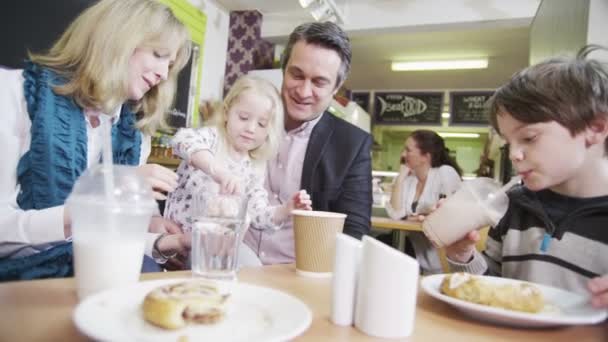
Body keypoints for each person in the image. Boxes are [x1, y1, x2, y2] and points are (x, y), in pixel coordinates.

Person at [0, 0, 192, 279]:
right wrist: (95, 203)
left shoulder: (135, 135)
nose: (164, 74)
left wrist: (161, 245)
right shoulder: (13, 94)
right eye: (159, 54)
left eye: (170, 65)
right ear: (117, 38)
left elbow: (107, 240)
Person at [444, 45, 608, 308]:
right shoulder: (514, 205)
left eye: (529, 138)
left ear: (596, 128)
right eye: (509, 143)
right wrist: (463, 256)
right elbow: (493, 291)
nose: (514, 155)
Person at [243, 22, 373, 264]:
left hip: (298, 275)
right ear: (284, 70)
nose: (303, 92)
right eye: (297, 75)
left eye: (319, 82)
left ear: (336, 88)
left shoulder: (352, 145)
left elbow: (355, 233)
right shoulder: (249, 115)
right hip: (232, 262)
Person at [165, 75, 312, 265]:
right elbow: (182, 140)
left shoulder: (254, 167)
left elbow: (257, 214)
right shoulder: (213, 137)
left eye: (261, 124)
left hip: (218, 243)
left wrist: (285, 210)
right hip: (177, 235)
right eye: (243, 117)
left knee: (253, 267)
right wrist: (217, 171)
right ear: (227, 113)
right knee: (207, 265)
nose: (250, 128)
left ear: (269, 130)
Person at [386, 130, 462, 274]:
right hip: (416, 257)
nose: (403, 155)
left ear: (425, 156)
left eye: (408, 150)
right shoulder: (408, 180)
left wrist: (411, 218)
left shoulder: (445, 173)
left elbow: (450, 216)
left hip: (443, 259)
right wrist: (401, 177)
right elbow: (395, 216)